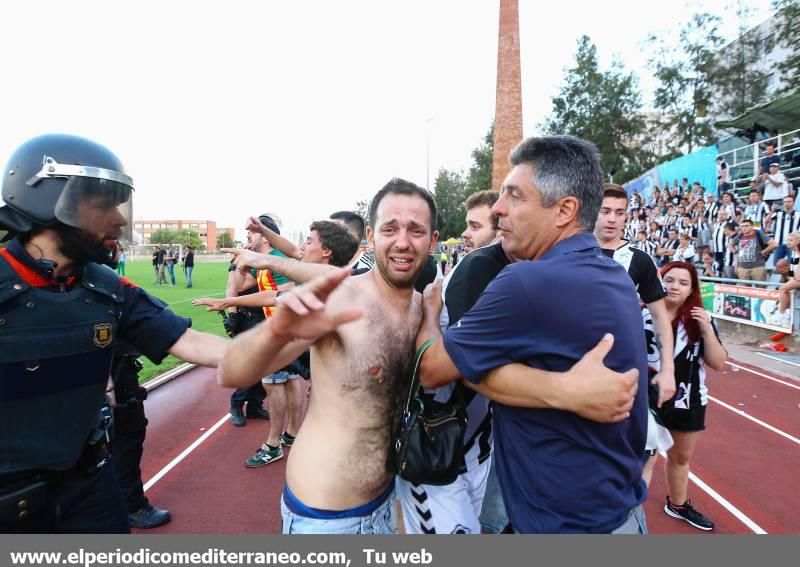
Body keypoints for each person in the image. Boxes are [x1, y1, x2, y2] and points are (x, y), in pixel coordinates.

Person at [415, 136, 649, 534]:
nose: (498, 209)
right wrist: (562, 389)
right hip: (622, 515)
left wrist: (429, 315)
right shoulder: (616, 275)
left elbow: (433, 369)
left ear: (564, 210)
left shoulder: (527, 281)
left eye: (514, 197)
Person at [0, 133, 229, 533]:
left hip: (91, 484)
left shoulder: (106, 286)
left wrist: (289, 338)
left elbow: (195, 344)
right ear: (48, 199)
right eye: (102, 204)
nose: (119, 219)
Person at [218, 178, 441, 534]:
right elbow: (233, 370)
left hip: (389, 502)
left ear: (432, 241)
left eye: (416, 230)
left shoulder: (425, 309)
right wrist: (278, 332)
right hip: (325, 518)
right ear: (371, 236)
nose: (402, 242)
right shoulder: (340, 298)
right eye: (390, 229)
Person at [594, 184, 676, 486]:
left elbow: (659, 316)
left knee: (635, 455)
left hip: (624, 368)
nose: (612, 219)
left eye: (619, 213)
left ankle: (629, 520)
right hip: (575, 365)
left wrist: (667, 369)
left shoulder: (639, 260)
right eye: (605, 211)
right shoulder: (570, 248)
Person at [646, 262, 727, 531]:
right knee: (644, 456)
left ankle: (677, 504)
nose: (674, 287)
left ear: (692, 289)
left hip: (686, 399)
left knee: (680, 457)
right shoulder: (642, 313)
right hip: (645, 396)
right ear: (659, 280)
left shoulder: (699, 319)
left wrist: (706, 330)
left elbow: (718, 363)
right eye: (669, 280)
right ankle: (625, 511)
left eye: (683, 283)